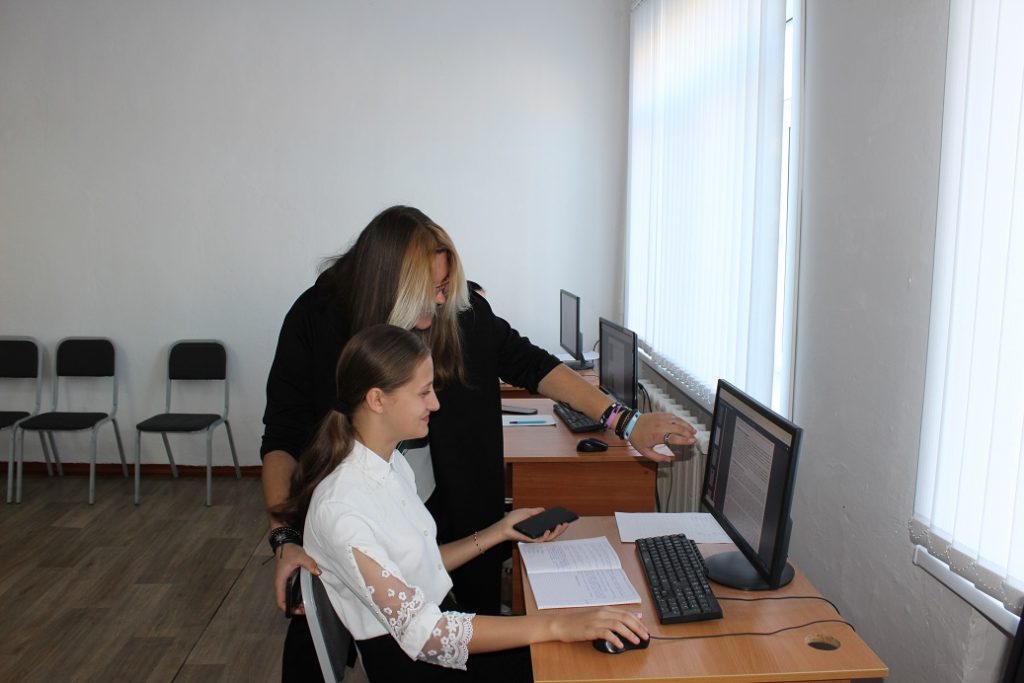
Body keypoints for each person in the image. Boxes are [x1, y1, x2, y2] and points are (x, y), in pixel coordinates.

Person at [261, 205, 694, 681]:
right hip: (384, 588)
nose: (444, 300)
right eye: (433, 290)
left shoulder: (392, 467)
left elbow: (530, 363)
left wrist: (625, 422)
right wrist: (285, 537)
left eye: (447, 286)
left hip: (443, 517)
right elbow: (282, 435)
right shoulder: (319, 321)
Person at [273, 324, 649, 681]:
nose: (435, 404)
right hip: (417, 665)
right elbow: (424, 635)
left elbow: (418, 565)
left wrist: (500, 531)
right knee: (579, 661)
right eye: (424, 392)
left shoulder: (389, 464)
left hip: (438, 628)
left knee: (578, 647)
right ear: (377, 399)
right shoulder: (341, 509)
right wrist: (558, 626)